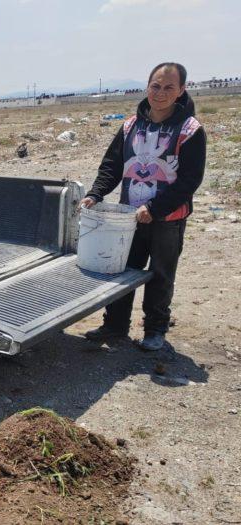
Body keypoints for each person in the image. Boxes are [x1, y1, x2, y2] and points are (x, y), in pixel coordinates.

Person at [80, 63, 206, 352]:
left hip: (167, 219)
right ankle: (114, 326)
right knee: (122, 270)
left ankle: (155, 329)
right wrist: (95, 194)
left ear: (182, 90)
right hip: (128, 218)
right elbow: (111, 166)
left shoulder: (190, 130)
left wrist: (155, 207)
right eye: (155, 86)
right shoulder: (130, 126)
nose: (160, 93)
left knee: (160, 275)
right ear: (147, 86)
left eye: (169, 87)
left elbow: (189, 180)